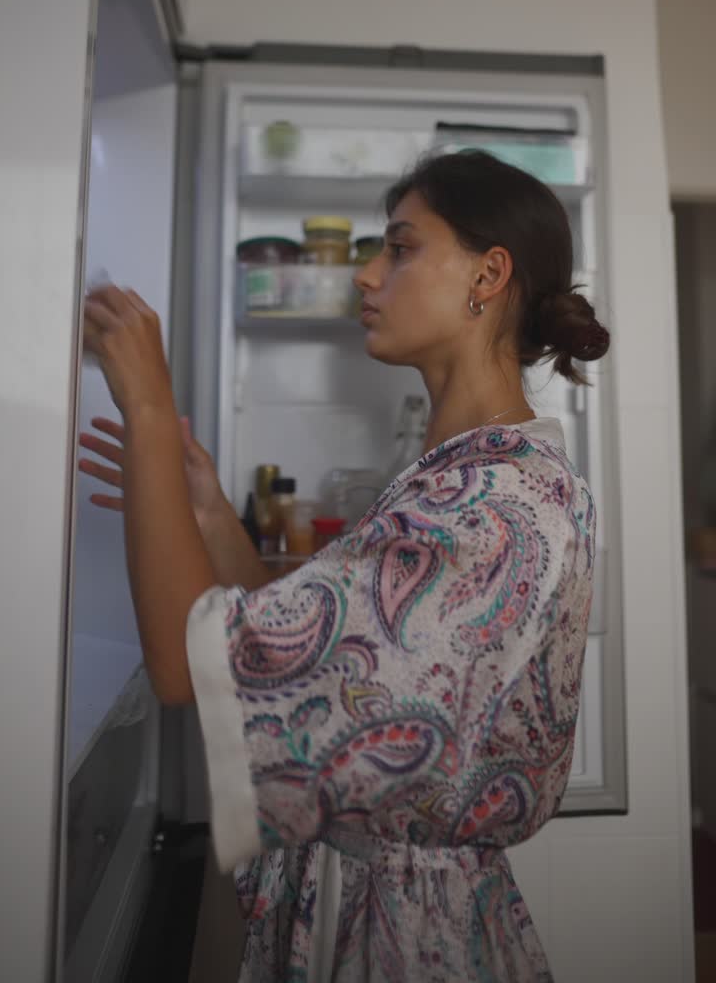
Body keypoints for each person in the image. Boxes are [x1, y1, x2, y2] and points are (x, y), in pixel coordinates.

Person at [80, 149, 610, 982]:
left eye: (399, 248)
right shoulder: (456, 477)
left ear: (488, 275)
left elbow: (190, 669)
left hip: (396, 933)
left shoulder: (495, 505)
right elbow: (303, 667)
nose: (366, 277)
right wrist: (211, 510)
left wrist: (148, 408)